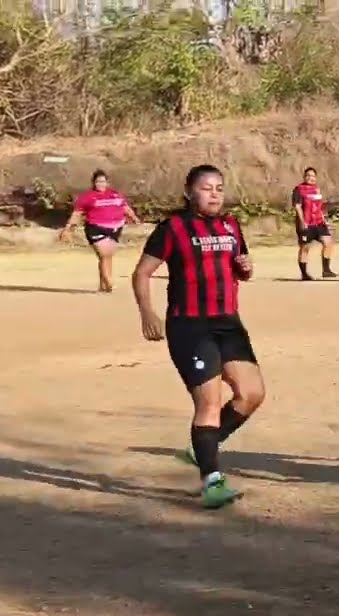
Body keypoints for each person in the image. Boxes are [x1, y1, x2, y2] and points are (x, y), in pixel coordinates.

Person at [131, 165, 267, 509]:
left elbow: (240, 267)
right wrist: (147, 312)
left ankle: (202, 447)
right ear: (190, 192)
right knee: (208, 403)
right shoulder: (172, 228)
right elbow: (142, 273)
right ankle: (212, 481)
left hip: (228, 323)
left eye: (219, 187)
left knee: (251, 394)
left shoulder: (231, 225)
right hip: (190, 326)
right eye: (207, 188)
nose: (214, 193)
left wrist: (246, 269)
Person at [59, 169, 141, 292]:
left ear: (107, 183)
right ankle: (109, 282)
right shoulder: (87, 197)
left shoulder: (115, 194)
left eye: (103, 181)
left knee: (107, 257)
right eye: (98, 182)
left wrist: (134, 218)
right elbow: (77, 213)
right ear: (93, 183)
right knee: (104, 254)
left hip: (115, 229)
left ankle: (103, 286)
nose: (101, 184)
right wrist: (68, 228)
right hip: (96, 228)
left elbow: (125, 207)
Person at [293, 167, 337, 280]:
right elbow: (297, 207)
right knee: (305, 247)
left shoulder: (316, 189)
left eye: (312, 176)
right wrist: (302, 222)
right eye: (308, 175)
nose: (310, 178)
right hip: (306, 223)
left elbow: (319, 206)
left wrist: (324, 219)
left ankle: (326, 270)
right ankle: (304, 274)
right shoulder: (299, 189)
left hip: (318, 222)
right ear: (304, 177)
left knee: (328, 242)